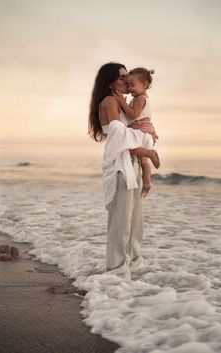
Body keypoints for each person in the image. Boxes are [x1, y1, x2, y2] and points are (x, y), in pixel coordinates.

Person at [88, 62, 160, 279]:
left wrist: (145, 150)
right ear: (110, 81)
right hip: (121, 167)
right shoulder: (109, 101)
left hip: (133, 163)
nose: (126, 81)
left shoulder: (125, 103)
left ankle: (133, 264)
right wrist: (148, 148)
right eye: (121, 77)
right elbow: (119, 137)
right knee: (121, 223)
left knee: (135, 221)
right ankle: (116, 272)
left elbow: (133, 129)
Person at [113, 67, 159, 196]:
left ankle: (150, 153)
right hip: (146, 131)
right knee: (144, 162)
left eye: (132, 85)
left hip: (140, 131)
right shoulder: (143, 96)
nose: (130, 88)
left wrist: (122, 102)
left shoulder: (140, 99)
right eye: (128, 85)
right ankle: (147, 184)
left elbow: (133, 115)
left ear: (144, 84)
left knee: (125, 148)